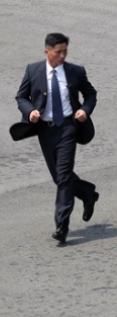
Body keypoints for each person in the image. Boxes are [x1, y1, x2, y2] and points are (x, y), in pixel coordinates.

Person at [15, 33, 99, 243]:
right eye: (58, 52)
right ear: (47, 52)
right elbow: (21, 97)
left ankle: (61, 225)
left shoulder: (75, 71)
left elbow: (90, 94)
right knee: (59, 177)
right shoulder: (33, 70)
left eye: (65, 51)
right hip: (45, 130)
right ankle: (87, 193)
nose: (62, 56)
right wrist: (30, 112)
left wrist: (85, 110)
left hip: (68, 127)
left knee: (63, 177)